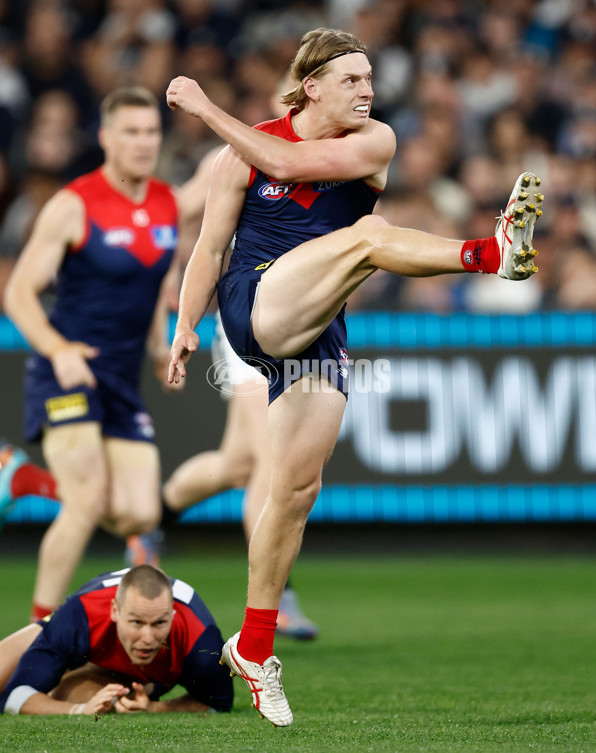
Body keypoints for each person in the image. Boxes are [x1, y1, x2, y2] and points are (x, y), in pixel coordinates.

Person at [164, 27, 543, 727]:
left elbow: (287, 157)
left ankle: (254, 645)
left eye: (370, 79)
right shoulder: (241, 155)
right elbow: (210, 249)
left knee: (293, 491)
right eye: (352, 80)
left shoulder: (374, 143)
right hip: (257, 306)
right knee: (369, 238)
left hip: (318, 324)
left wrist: (206, 107)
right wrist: (187, 324)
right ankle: (492, 252)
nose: (368, 91)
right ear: (311, 87)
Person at [126, 146, 319, 641]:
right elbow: (169, 213)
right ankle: (280, 601)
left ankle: (150, 523)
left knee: (236, 464)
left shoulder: (333, 155)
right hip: (246, 319)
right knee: (269, 464)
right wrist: (169, 275)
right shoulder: (240, 152)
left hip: (297, 325)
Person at [2, 86, 180, 622]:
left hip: (122, 380)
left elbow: (150, 285)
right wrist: (57, 350)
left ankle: (27, 481)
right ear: (106, 138)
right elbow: (17, 293)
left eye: (151, 131)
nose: (143, 142)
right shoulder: (74, 203)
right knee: (85, 502)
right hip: (68, 372)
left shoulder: (167, 202)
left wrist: (157, 347)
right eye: (131, 131)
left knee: (141, 512)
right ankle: (39, 633)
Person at [0, 564, 233, 715]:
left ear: (172, 613)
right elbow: (14, 695)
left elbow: (218, 703)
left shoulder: (201, 642)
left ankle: (62, 678)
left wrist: (156, 707)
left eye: (160, 623)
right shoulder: (80, 616)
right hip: (84, 642)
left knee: (76, 694)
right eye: (137, 623)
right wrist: (81, 710)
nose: (148, 638)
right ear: (114, 611)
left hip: (145, 675)